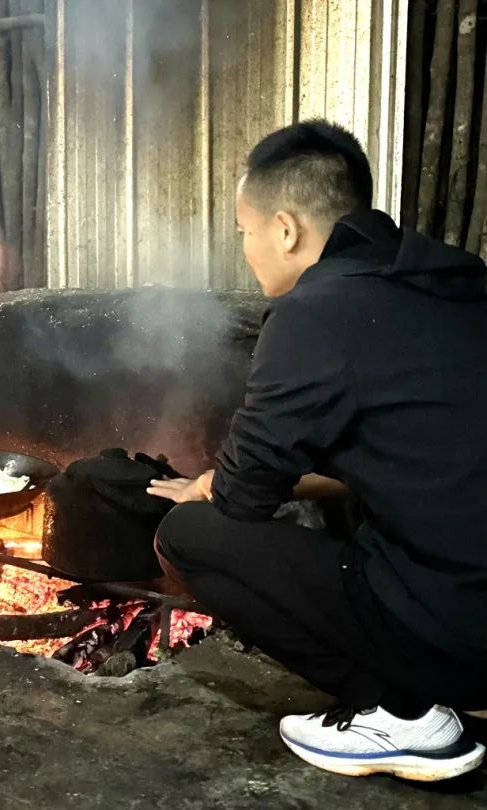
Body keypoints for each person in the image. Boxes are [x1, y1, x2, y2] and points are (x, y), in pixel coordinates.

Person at [146, 120, 487, 781]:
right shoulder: (451, 282)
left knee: (189, 535)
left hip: (462, 629)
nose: (243, 247)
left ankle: (402, 713)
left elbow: (244, 498)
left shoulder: (314, 314)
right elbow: (413, 462)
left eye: (244, 229)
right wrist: (270, 478)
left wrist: (212, 486)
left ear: (285, 229)